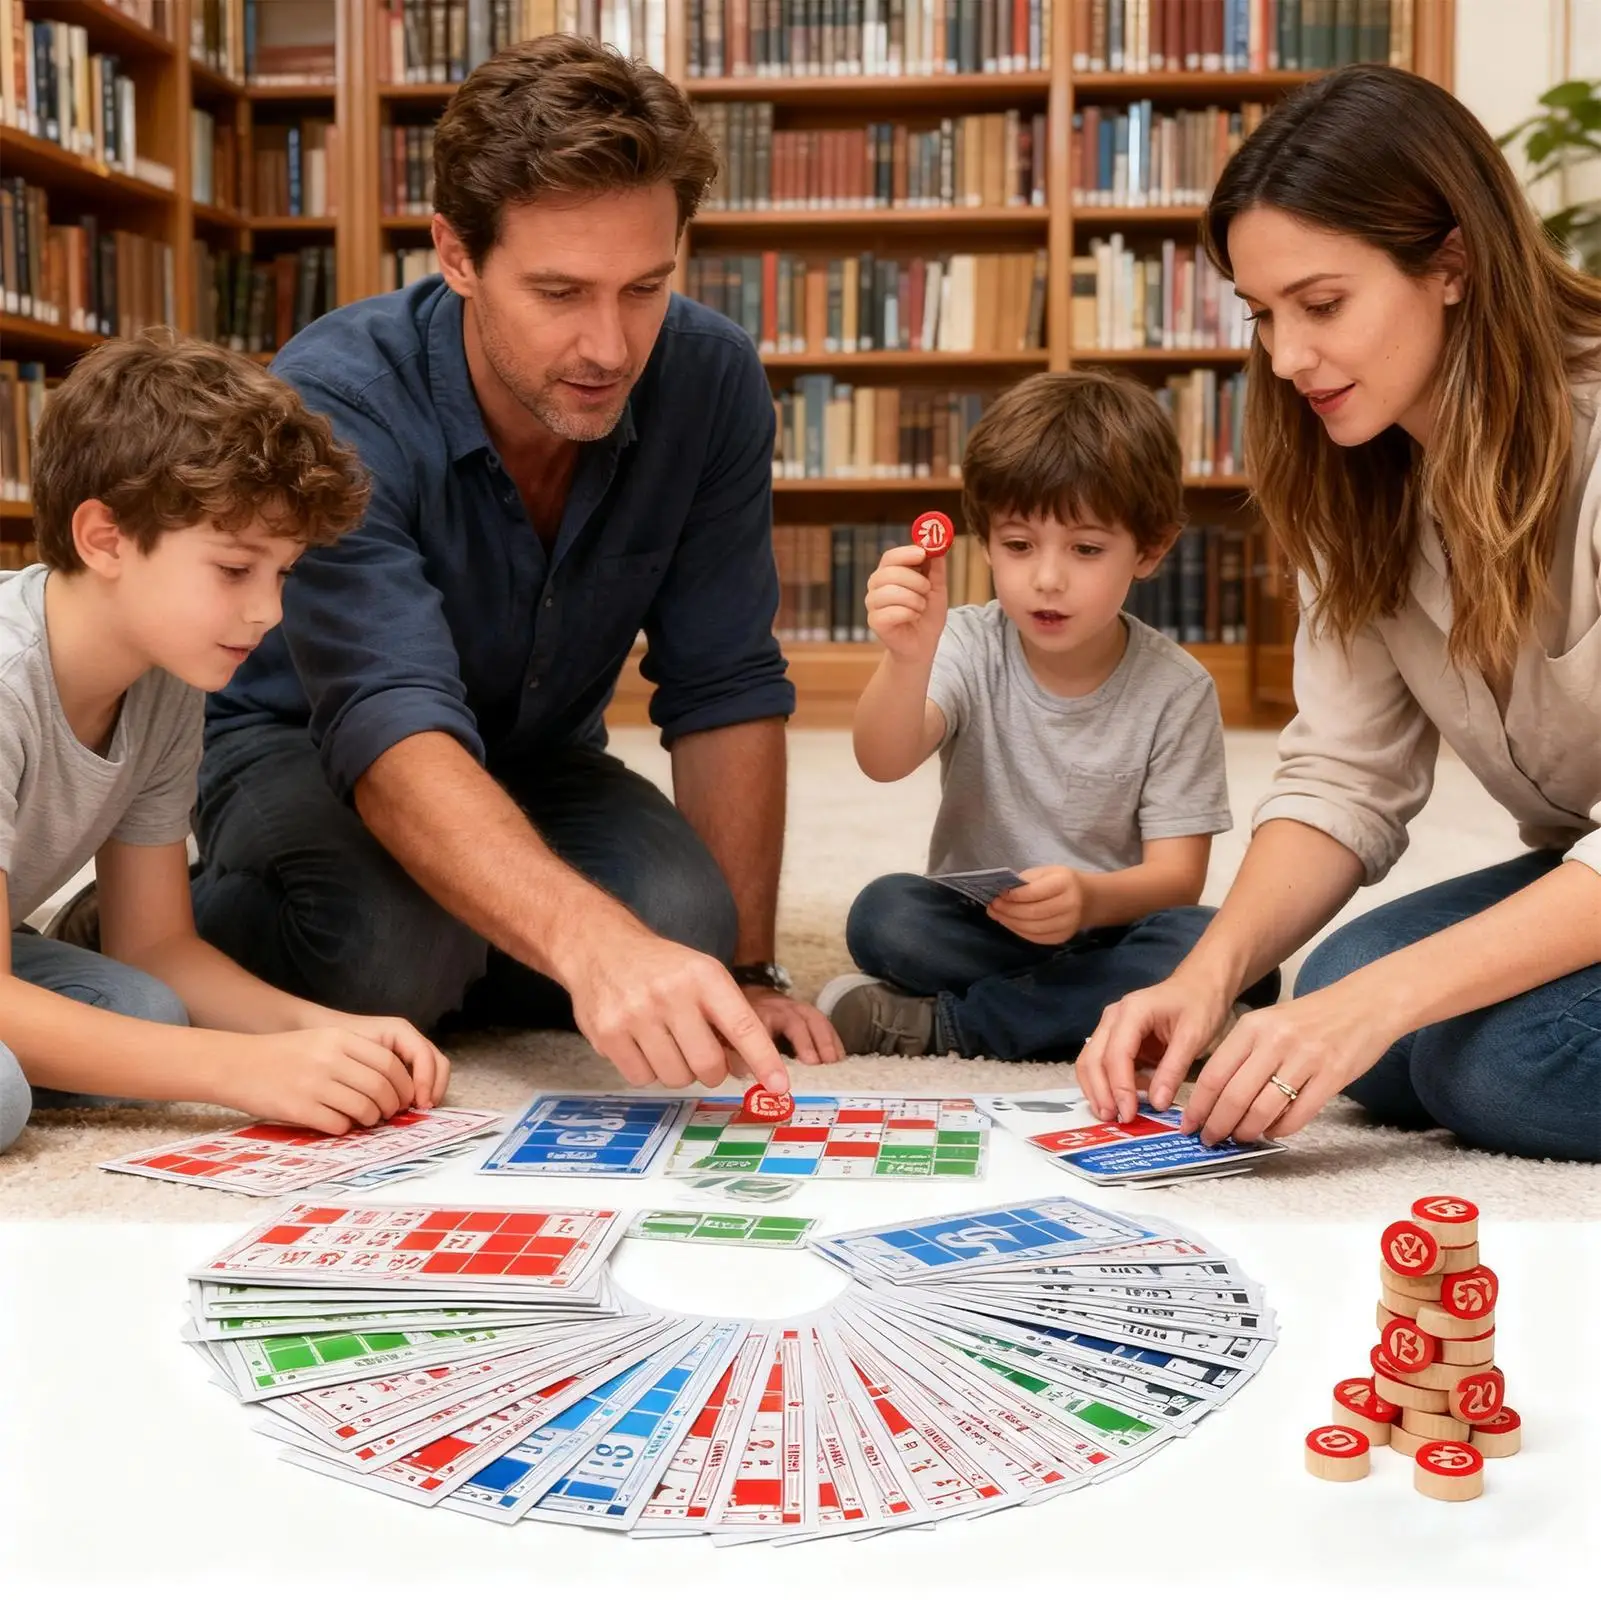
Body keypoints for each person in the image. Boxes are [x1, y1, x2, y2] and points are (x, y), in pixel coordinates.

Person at [172, 35, 842, 1092]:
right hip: (300, 738)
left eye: (644, 288)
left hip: (533, 750)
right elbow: (385, 716)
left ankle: (478, 937)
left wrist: (748, 965)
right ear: (455, 252)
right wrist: (585, 944)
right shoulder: (336, 395)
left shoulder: (709, 379)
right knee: (388, 951)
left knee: (685, 926)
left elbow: (725, 681)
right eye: (560, 291)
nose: (610, 347)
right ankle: (157, 919)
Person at [1075, 64, 1601, 1164]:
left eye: (1320, 305)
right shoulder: (1360, 474)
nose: (1286, 356)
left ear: (1450, 262)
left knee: (1491, 1061)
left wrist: (1388, 1003)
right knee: (1335, 995)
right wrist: (1206, 974)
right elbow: (1342, 775)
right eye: (1261, 313)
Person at [0, 331, 451, 1156]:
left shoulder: (166, 677)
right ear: (104, 538)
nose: (269, 613)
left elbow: (157, 944)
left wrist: (326, 1033)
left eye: (282, 574)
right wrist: (239, 1070)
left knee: (148, 1010)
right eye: (236, 569)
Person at [816, 371, 1280, 1060]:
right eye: (1018, 545)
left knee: (1234, 953)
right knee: (883, 917)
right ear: (985, 545)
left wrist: (1087, 900)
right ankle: (1117, 1016)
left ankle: (947, 1026)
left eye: (1086, 549)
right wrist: (907, 658)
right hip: (982, 924)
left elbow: (1176, 877)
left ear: (1149, 550)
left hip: (1111, 923)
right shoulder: (970, 643)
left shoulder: (1178, 688)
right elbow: (881, 760)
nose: (1046, 578)